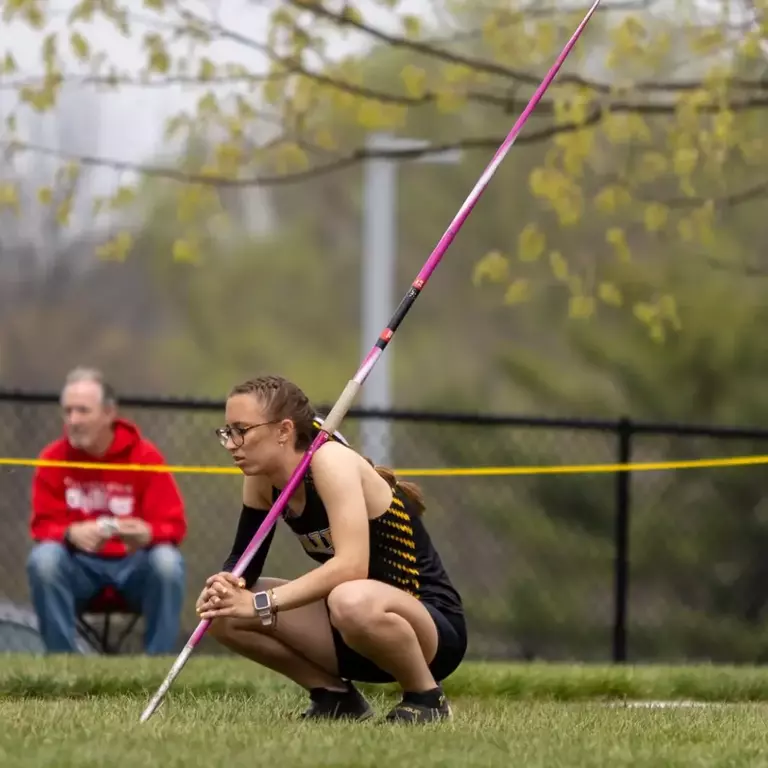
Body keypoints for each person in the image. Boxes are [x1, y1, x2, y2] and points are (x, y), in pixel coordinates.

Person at [196, 374, 467, 724]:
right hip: (347, 627)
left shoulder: (330, 463)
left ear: (283, 430)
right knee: (223, 610)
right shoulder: (261, 478)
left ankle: (426, 698)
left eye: (242, 430)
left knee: (349, 598)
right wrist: (227, 586)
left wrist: (260, 603)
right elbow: (244, 564)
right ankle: (335, 698)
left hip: (424, 626)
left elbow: (352, 566)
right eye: (227, 432)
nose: (232, 443)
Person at [26, 367, 187, 654]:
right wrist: (70, 533)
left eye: (83, 411)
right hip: (78, 569)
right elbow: (40, 526)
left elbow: (174, 526)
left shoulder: (145, 457)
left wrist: (147, 533)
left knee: (167, 562)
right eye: (68, 411)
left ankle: (158, 667)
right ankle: (64, 667)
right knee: (44, 560)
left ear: (109, 413)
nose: (73, 420)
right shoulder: (52, 458)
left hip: (134, 568)